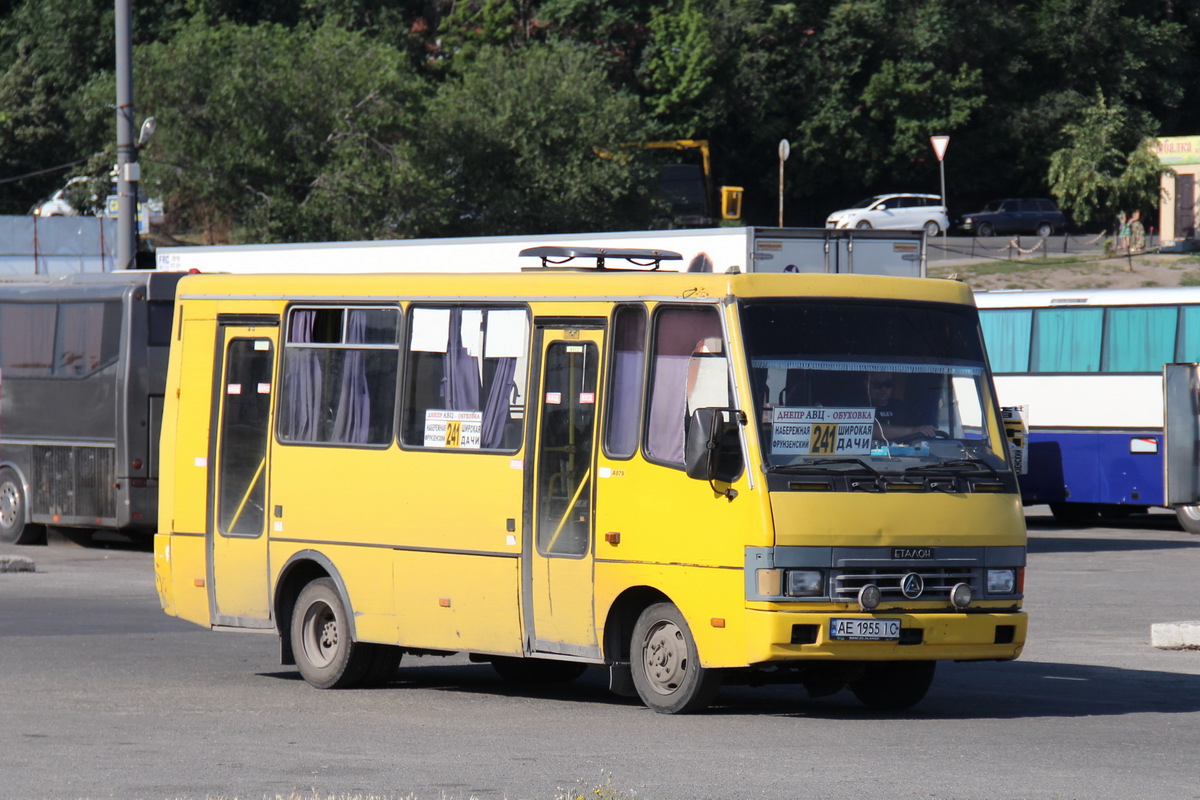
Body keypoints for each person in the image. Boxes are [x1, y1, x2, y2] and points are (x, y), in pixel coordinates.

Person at [868, 373, 937, 440]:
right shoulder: (863, 406)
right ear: (867, 384)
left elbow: (918, 430)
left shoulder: (901, 407)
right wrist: (912, 431)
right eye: (877, 385)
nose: (883, 390)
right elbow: (871, 430)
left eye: (888, 384)